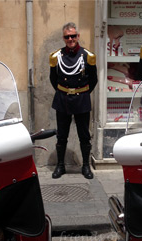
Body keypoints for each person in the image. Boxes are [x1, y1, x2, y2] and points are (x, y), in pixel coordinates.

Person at [49, 22, 97, 179]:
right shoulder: (56, 57)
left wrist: (80, 93)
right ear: (63, 38)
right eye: (67, 37)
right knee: (61, 135)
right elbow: (53, 79)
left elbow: (93, 80)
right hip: (63, 99)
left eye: (73, 36)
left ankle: (85, 166)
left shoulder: (87, 56)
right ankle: (60, 166)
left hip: (81, 99)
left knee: (84, 135)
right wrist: (65, 92)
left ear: (78, 36)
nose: (70, 39)